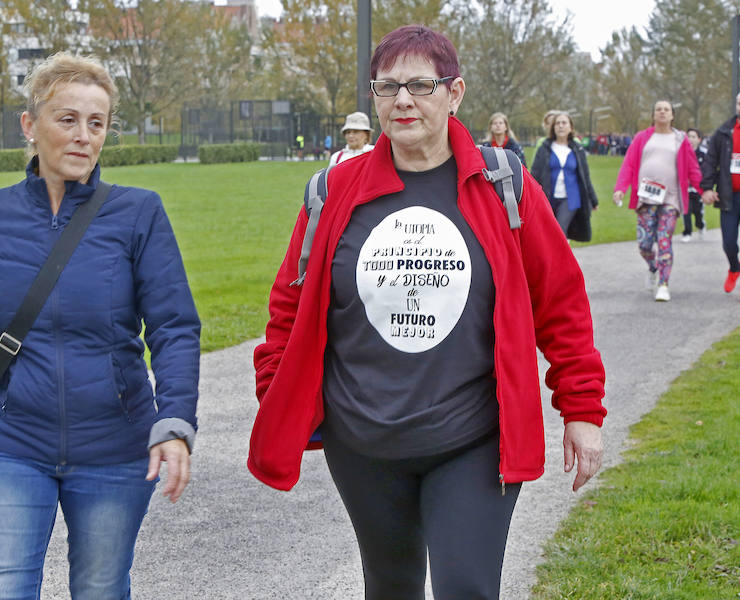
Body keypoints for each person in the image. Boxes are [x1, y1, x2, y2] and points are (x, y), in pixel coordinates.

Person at [248, 25, 606, 599]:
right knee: (390, 588)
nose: (403, 100)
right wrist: (282, 393)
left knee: (466, 586)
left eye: (421, 84)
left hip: (472, 436)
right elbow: (287, 309)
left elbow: (560, 302)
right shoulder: (332, 191)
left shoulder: (503, 184)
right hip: (363, 441)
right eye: (387, 88)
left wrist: (582, 408)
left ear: (455, 93)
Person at [0, 52, 201, 599]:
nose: (83, 136)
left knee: (100, 589)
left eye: (96, 122)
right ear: (30, 126)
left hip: (114, 445)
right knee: (3, 589)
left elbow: (174, 326)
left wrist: (174, 421)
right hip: (12, 442)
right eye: (67, 119)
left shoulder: (139, 213)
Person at [613, 100, 702, 302]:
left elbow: (692, 168)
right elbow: (628, 165)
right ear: (653, 115)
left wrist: (703, 190)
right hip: (646, 197)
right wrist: (620, 189)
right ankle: (653, 268)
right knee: (644, 244)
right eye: (658, 109)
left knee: (664, 239)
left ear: (672, 115)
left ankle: (663, 283)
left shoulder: (680, 139)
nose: (662, 112)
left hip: (670, 198)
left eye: (666, 109)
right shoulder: (642, 137)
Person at [530, 112, 598, 240]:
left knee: (559, 231)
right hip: (548, 198)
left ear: (570, 127)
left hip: (570, 199)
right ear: (553, 127)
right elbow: (535, 174)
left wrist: (593, 200)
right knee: (547, 234)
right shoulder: (544, 148)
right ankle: (557, 258)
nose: (561, 126)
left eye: (564, 123)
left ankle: (560, 258)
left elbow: (585, 177)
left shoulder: (577, 149)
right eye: (557, 123)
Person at [702, 92, 740, 293]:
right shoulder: (724, 132)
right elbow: (710, 161)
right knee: (728, 242)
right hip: (730, 196)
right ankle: (735, 268)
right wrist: (707, 188)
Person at [680, 127, 706, 242]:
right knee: (686, 210)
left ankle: (700, 225)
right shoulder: (681, 152)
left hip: (698, 189)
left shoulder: (703, 154)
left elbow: (706, 170)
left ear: (699, 139)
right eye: (688, 136)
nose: (690, 139)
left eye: (693, 137)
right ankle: (687, 232)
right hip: (685, 188)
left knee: (697, 212)